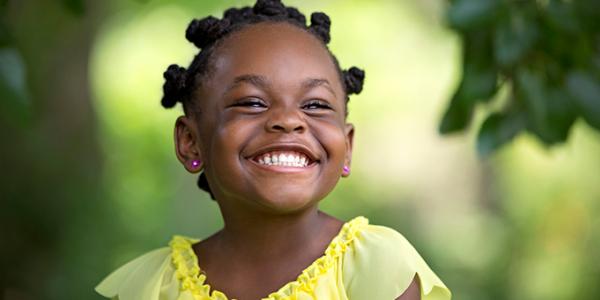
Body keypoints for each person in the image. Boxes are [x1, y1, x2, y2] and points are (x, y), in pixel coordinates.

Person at [95, 0, 451, 299]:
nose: (288, 120)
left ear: (347, 146)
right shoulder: (152, 285)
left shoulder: (378, 267)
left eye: (314, 105)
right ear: (190, 141)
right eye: (251, 102)